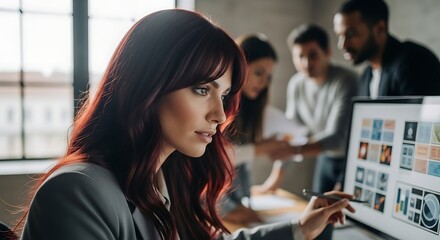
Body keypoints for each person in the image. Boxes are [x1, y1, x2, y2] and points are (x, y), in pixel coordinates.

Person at [18, 9, 354, 240]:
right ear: (148, 85)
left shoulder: (165, 178)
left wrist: (300, 228)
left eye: (223, 95)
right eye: (201, 89)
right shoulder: (78, 192)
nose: (220, 115)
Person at [279, 24, 358, 240]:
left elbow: (337, 137)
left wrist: (291, 150)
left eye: (312, 55)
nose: (306, 63)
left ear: (328, 53)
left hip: (349, 160)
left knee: (343, 219)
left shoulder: (347, 80)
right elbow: (291, 133)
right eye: (300, 56)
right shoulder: (296, 84)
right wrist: (277, 174)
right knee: (316, 216)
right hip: (324, 158)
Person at [220, 33, 308, 225]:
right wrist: (264, 148)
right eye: (259, 73)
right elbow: (213, 159)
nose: (264, 83)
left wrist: (276, 174)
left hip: (231, 199)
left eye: (269, 77)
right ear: (240, 66)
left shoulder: (254, 109)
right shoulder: (219, 105)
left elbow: (298, 137)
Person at [333, 0, 440, 98]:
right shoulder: (366, 76)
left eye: (351, 34)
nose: (342, 45)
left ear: (380, 29)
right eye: (339, 36)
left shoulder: (415, 61)